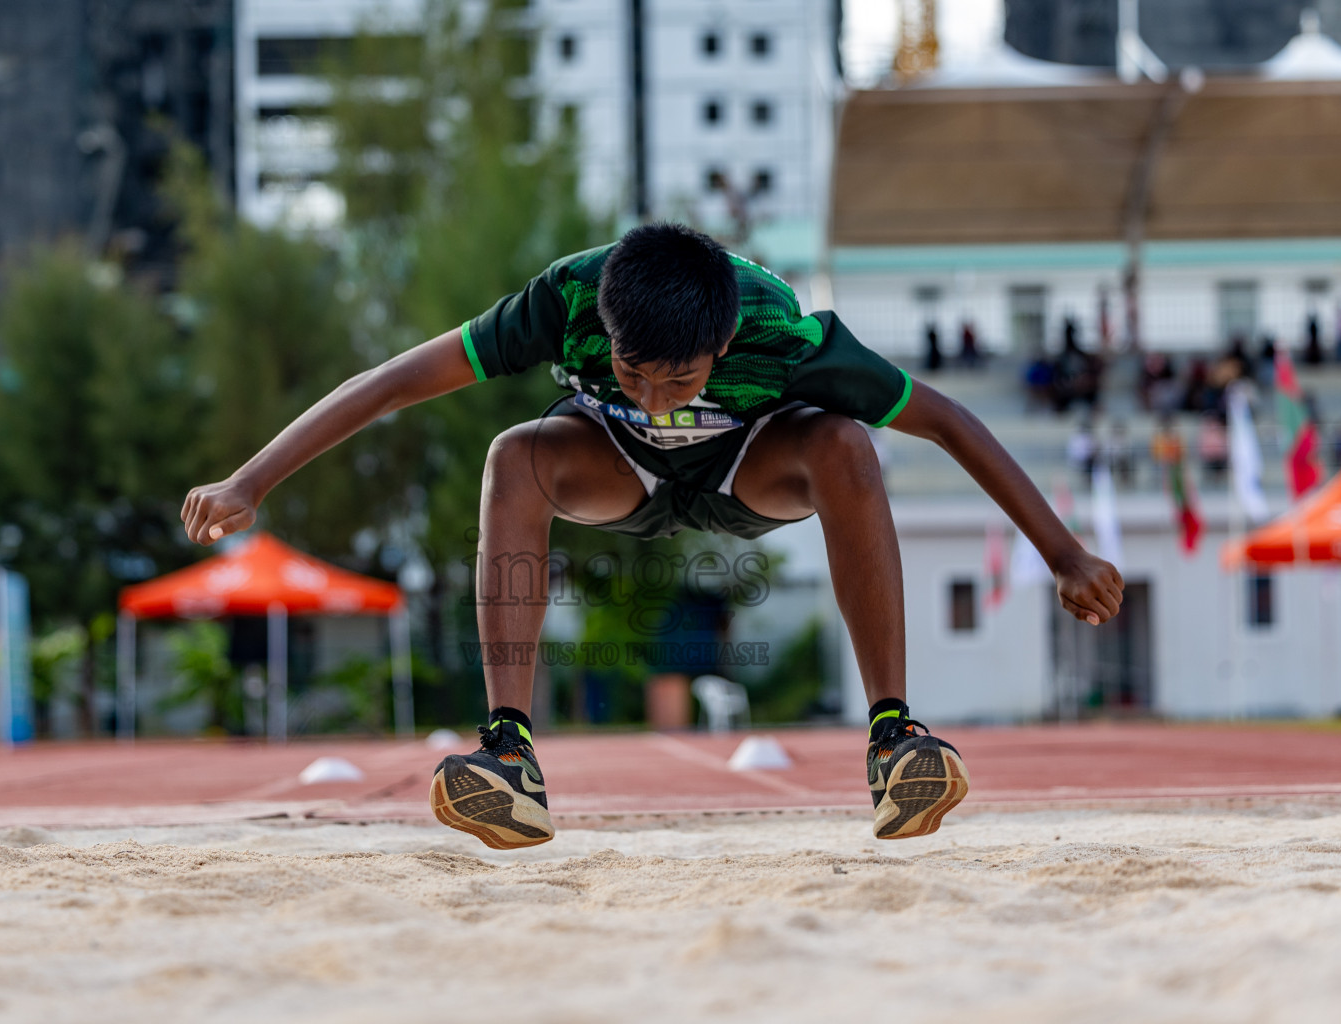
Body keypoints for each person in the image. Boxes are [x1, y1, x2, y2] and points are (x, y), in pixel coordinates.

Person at [179, 224, 1123, 847]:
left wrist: (1063, 553)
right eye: (634, 371)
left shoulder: (787, 337)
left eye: (678, 379)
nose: (657, 396)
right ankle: (508, 754)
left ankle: (893, 742)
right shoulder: (563, 301)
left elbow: (949, 420)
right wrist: (251, 477)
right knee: (513, 454)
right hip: (613, 469)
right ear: (605, 330)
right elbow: (394, 381)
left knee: (845, 442)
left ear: (720, 347)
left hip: (751, 467)